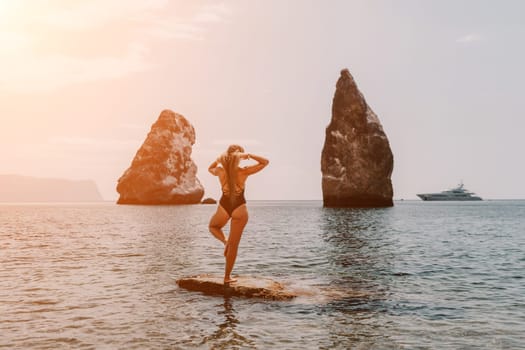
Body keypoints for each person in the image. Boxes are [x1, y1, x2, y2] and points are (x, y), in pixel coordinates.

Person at [208, 144, 269, 284]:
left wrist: (219, 159)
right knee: (234, 246)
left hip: (224, 206)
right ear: (238, 158)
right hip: (239, 208)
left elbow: (209, 168)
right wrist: (249, 155)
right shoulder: (243, 171)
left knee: (213, 226)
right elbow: (265, 162)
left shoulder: (220, 171)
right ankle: (227, 277)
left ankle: (225, 242)